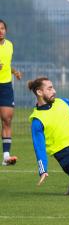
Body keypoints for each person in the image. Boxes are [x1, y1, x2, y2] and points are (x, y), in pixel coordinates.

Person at [0, 19, 22, 166]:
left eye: (2, 28)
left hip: (6, 87)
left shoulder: (9, 45)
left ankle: (6, 157)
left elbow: (6, 64)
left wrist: (14, 72)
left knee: (7, 120)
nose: (0, 31)